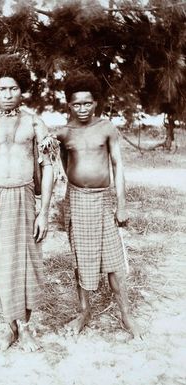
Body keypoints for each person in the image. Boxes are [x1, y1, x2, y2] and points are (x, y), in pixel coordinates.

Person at [0, 54, 57, 351]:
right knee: (3, 266)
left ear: (22, 90)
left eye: (14, 88)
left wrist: (44, 213)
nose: (8, 94)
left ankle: (27, 328)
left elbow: (49, 168)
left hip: (26, 198)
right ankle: (9, 327)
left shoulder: (35, 123)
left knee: (28, 265)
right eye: (2, 89)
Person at [56, 72, 141, 339]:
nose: (82, 108)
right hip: (77, 201)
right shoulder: (64, 133)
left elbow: (118, 165)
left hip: (103, 201)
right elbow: (59, 164)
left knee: (114, 260)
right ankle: (84, 312)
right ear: (68, 105)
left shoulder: (106, 128)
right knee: (82, 259)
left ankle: (126, 314)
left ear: (95, 103)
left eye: (87, 103)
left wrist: (121, 205)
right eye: (76, 104)